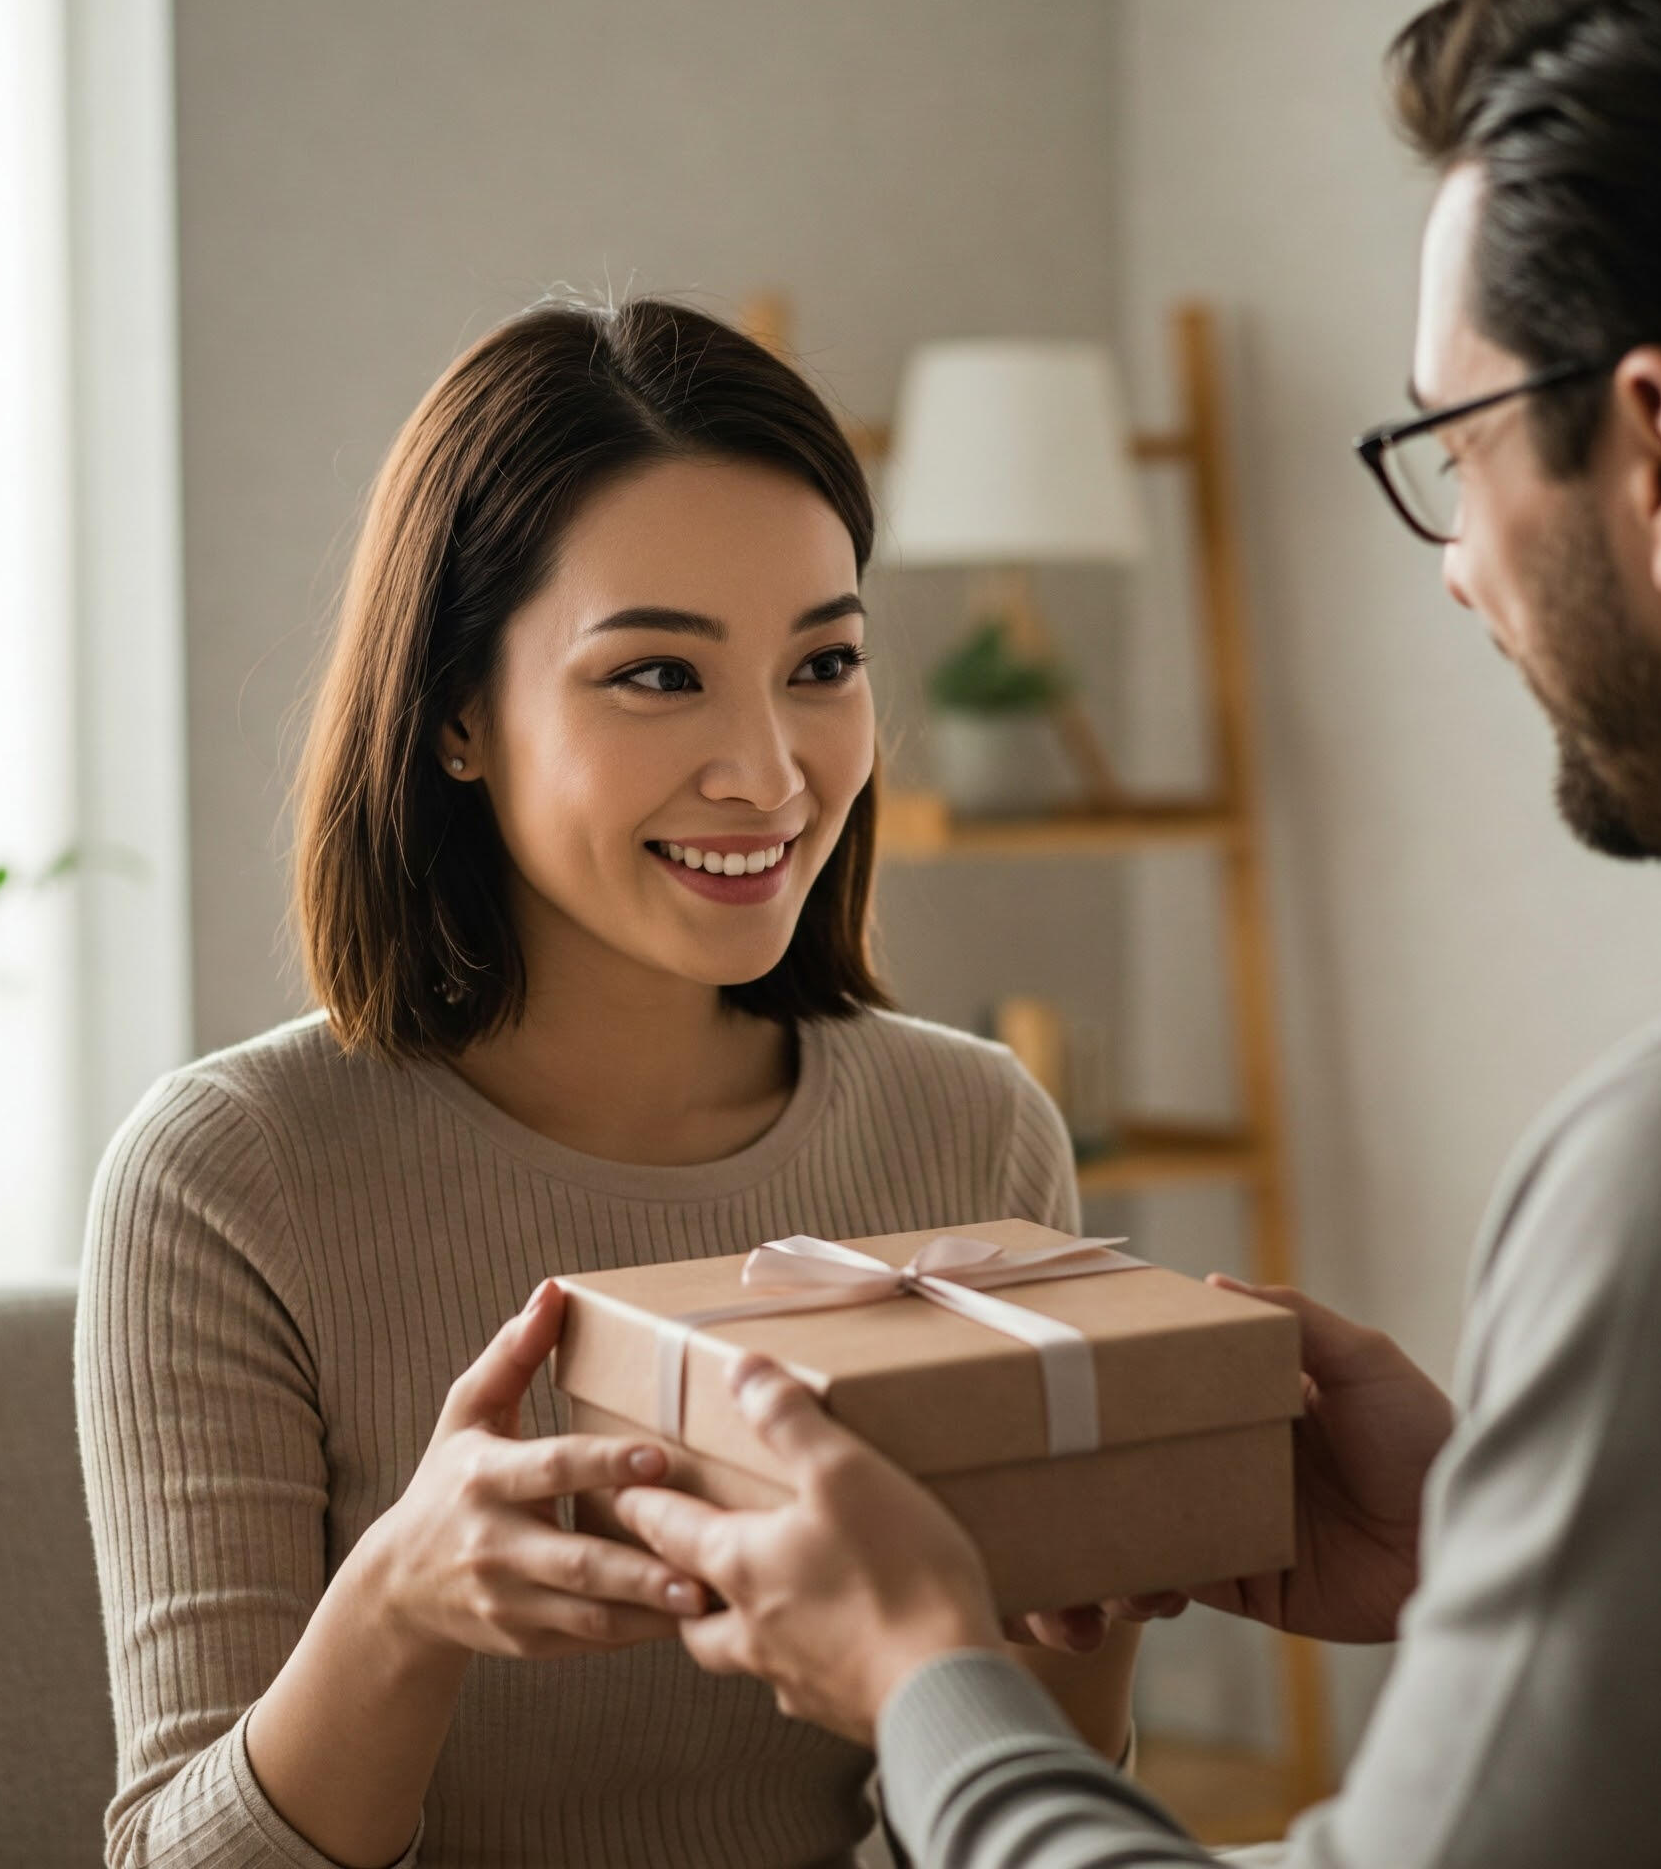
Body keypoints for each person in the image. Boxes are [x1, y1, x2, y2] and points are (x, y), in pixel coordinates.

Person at [611, 0, 1661, 1867]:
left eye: (1453, 449)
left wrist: (924, 1675)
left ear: (1658, 455)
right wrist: (1511, 1561)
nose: (1455, 566)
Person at [74, 297, 1138, 1869]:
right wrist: (400, 1603)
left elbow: (991, 1816)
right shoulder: (231, 1179)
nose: (771, 772)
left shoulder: (974, 1130)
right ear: (452, 717)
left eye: (824, 662)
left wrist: (1098, 1592)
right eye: (658, 677)